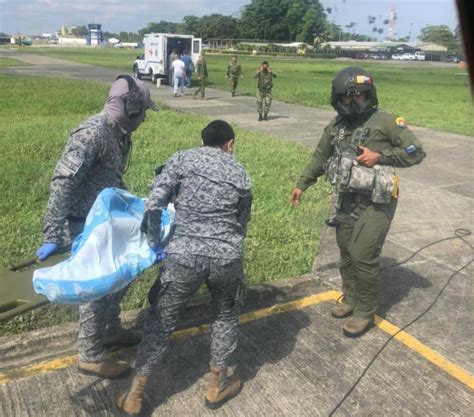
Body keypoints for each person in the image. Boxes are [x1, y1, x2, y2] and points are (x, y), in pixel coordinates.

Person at [117, 120, 252, 415]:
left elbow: (153, 205)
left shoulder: (182, 159)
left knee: (161, 322)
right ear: (229, 144)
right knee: (225, 316)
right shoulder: (239, 171)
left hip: (184, 256)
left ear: (203, 141)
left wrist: (155, 243)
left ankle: (135, 394)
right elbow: (242, 221)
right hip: (226, 257)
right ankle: (217, 384)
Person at [36, 74, 159, 378]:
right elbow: (63, 184)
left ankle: (112, 329)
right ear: (130, 108)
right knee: (97, 284)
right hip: (83, 223)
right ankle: (90, 354)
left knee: (122, 272)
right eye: (142, 111)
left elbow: (109, 177)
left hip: (105, 219)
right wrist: (54, 233)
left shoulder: (118, 133)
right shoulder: (91, 135)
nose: (144, 119)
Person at [290, 67, 425, 337]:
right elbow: (320, 155)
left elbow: (415, 151)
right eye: (348, 99)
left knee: (363, 253)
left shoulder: (386, 122)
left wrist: (381, 156)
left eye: (360, 98)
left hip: (378, 201)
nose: (355, 104)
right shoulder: (336, 127)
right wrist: (302, 183)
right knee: (346, 250)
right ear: (338, 100)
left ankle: (365, 310)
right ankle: (350, 298)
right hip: (347, 198)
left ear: (370, 96)